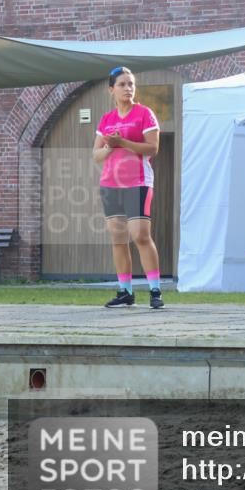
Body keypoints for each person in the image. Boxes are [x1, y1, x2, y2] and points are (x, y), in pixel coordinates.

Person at [92, 66, 165, 309]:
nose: (128, 88)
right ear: (111, 90)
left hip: (138, 182)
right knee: (118, 238)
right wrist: (110, 147)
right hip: (110, 184)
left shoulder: (145, 113)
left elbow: (152, 148)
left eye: (131, 84)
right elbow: (96, 154)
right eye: (122, 84)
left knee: (140, 236)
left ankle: (155, 290)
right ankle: (125, 291)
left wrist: (122, 141)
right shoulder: (106, 119)